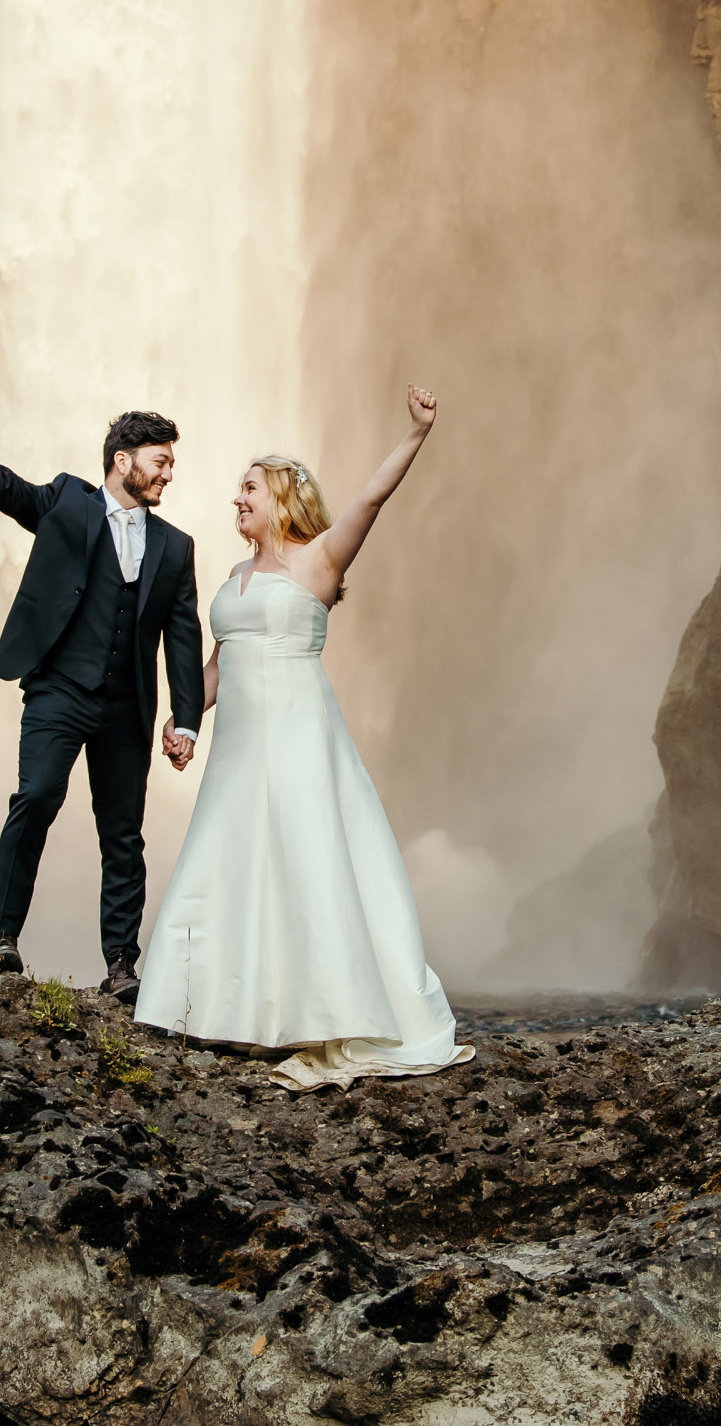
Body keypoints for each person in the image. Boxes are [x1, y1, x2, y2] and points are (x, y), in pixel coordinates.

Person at [132, 385, 472, 1090]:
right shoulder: (232, 576)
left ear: (282, 496)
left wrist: (416, 433)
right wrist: (188, 719)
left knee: (306, 856)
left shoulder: (318, 560)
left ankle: (329, 1010)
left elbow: (371, 500)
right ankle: (223, 1009)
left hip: (298, 735)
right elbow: (220, 659)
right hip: (239, 746)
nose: (237, 499)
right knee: (229, 854)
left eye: (249, 487)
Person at [0, 365, 204, 1003]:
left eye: (172, 463)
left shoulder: (175, 546)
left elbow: (184, 636)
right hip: (59, 689)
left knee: (123, 833)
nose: (170, 473)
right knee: (35, 797)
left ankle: (121, 966)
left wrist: (186, 718)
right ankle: (2, 941)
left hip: (127, 708)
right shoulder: (66, 502)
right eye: (160, 461)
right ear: (123, 461)